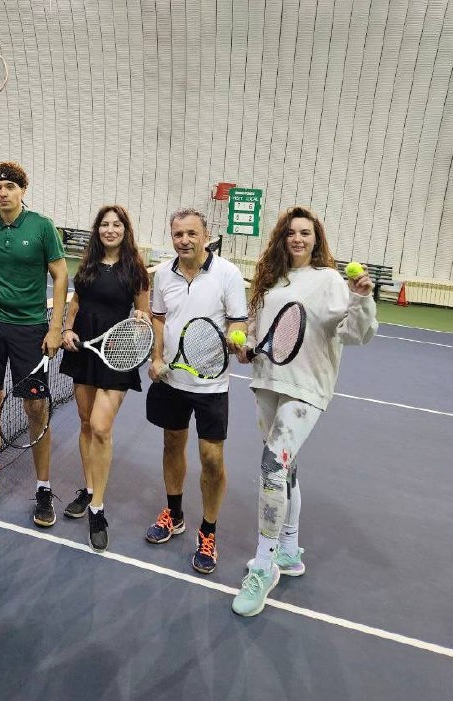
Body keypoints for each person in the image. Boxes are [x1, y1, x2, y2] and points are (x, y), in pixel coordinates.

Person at [231, 206, 377, 616]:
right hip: (267, 382)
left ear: (316, 239)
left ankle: (264, 566)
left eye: (305, 233)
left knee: (271, 468)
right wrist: (245, 347)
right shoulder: (270, 281)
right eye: (291, 232)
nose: (297, 238)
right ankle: (289, 551)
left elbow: (355, 333)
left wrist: (362, 299)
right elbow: (259, 334)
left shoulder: (329, 280)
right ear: (282, 238)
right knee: (286, 469)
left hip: (306, 387)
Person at [0, 161, 68, 528]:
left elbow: (60, 275)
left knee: (36, 406)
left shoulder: (42, 226)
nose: (3, 193)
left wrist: (55, 328)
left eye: (9, 187)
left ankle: (43, 488)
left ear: (22, 190)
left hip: (30, 329)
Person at [145, 208, 248, 574]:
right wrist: (157, 357)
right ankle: (174, 515)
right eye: (178, 234)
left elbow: (237, 321)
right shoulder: (163, 274)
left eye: (192, 233)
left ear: (206, 236)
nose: (184, 240)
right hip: (171, 379)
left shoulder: (228, 274)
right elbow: (159, 319)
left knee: (212, 459)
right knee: (172, 444)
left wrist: (236, 339)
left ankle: (208, 531)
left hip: (211, 384)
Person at [59, 205, 150, 552]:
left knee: (100, 426)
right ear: (98, 229)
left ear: (125, 230)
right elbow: (75, 304)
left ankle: (97, 509)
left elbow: (143, 311)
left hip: (117, 352)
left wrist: (141, 318)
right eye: (104, 225)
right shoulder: (87, 264)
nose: (110, 230)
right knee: (85, 423)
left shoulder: (136, 269)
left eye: (116, 225)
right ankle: (89, 488)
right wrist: (67, 329)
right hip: (83, 348)